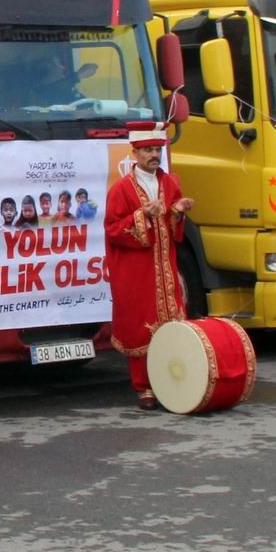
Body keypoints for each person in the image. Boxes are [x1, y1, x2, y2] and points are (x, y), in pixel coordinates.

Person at [104, 122, 194, 409]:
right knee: (141, 326)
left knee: (173, 322)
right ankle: (144, 388)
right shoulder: (120, 189)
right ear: (135, 153)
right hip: (137, 269)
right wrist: (142, 215)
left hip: (165, 265)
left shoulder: (170, 183)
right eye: (148, 151)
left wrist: (177, 212)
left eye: (157, 150)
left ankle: (172, 382)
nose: (154, 155)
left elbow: (172, 224)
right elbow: (113, 229)